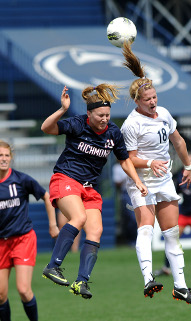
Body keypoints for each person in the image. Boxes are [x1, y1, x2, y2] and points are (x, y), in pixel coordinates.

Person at [41, 84, 148, 300]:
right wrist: (62, 109)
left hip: (89, 188)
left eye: (107, 115)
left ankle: (81, 281)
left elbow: (124, 160)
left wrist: (137, 180)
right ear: (89, 113)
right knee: (78, 217)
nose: (104, 119)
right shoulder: (77, 123)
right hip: (66, 178)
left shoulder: (113, 133)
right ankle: (53, 266)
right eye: (100, 115)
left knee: (95, 231)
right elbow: (46, 128)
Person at [120, 41, 191, 305]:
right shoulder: (131, 124)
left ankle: (181, 286)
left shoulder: (163, 113)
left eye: (155, 97)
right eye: (148, 100)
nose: (153, 102)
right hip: (141, 181)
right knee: (146, 229)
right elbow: (130, 159)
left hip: (165, 179)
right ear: (137, 101)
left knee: (172, 232)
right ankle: (148, 279)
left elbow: (178, 141)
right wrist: (150, 163)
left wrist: (187, 166)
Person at [0, 140, 59, 321]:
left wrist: (53, 224)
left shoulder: (21, 179)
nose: (3, 159)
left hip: (22, 239)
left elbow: (46, 196)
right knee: (0, 295)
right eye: (0, 156)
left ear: (11, 158)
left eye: (6, 155)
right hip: (1, 243)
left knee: (24, 290)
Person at [154, 152, 191, 278]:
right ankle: (166, 268)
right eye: (187, 159)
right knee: (172, 238)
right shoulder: (180, 175)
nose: (189, 162)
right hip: (184, 212)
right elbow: (175, 193)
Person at [112, 161, 137, 246]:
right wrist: (127, 176)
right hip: (126, 193)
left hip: (137, 191)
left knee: (137, 218)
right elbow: (117, 183)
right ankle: (131, 240)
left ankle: (136, 240)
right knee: (131, 218)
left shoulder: (135, 163)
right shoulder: (117, 167)